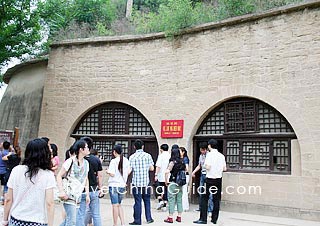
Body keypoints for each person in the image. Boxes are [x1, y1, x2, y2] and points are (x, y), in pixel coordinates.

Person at [2, 138, 55, 226]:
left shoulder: (16, 170)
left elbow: (8, 199)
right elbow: (50, 203)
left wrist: (5, 220)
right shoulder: (48, 175)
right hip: (37, 222)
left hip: (16, 220)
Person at [57, 140, 90, 226]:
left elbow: (85, 179)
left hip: (78, 195)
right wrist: (61, 191)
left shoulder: (86, 163)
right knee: (72, 222)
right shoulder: (70, 161)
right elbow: (59, 175)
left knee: (69, 219)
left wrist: (87, 194)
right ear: (81, 149)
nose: (88, 149)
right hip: (69, 194)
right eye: (86, 147)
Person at [193, 139, 226, 225]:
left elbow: (207, 167)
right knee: (216, 199)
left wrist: (206, 166)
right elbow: (224, 168)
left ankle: (203, 219)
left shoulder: (209, 155)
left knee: (204, 198)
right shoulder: (221, 156)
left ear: (210, 145)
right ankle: (214, 219)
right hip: (218, 179)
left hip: (209, 179)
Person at [76, 137, 103, 226]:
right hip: (94, 188)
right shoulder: (96, 159)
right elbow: (100, 175)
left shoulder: (80, 160)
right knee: (96, 214)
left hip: (83, 189)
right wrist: (100, 188)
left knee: (81, 213)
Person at [129, 139, 154, 225]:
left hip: (136, 183)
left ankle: (137, 220)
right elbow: (152, 168)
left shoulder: (132, 157)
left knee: (137, 202)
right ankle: (149, 218)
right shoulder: (148, 156)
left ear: (134, 147)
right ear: (143, 146)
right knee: (147, 201)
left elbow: (129, 170)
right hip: (146, 183)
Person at [107, 145, 131, 226]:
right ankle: (123, 223)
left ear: (114, 152)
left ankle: (115, 224)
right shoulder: (126, 160)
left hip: (114, 185)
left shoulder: (113, 161)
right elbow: (128, 171)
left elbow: (112, 174)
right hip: (122, 186)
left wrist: (107, 171)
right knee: (119, 205)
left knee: (115, 205)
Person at [164, 145, 186, 223]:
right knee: (179, 199)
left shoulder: (172, 162)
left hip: (173, 183)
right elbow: (185, 171)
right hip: (180, 183)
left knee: (171, 199)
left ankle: (170, 217)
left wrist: (166, 181)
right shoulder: (182, 161)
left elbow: (167, 172)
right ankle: (179, 216)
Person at [191, 142, 213, 212]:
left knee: (210, 192)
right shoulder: (201, 156)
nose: (201, 152)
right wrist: (194, 172)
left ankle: (210, 209)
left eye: (202, 150)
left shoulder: (210, 156)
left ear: (206, 149)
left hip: (209, 175)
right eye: (200, 150)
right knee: (201, 191)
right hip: (202, 175)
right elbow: (199, 165)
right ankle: (201, 207)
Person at [155, 143, 170, 211]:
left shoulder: (161, 156)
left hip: (161, 176)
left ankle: (160, 201)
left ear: (161, 149)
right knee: (166, 190)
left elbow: (158, 166)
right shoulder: (170, 156)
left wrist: (156, 174)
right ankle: (164, 206)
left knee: (158, 189)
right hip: (168, 177)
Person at [179, 147, 190, 211]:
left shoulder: (185, 159)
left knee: (184, 191)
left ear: (183, 152)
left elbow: (187, 168)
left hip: (184, 176)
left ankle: (184, 206)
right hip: (183, 175)